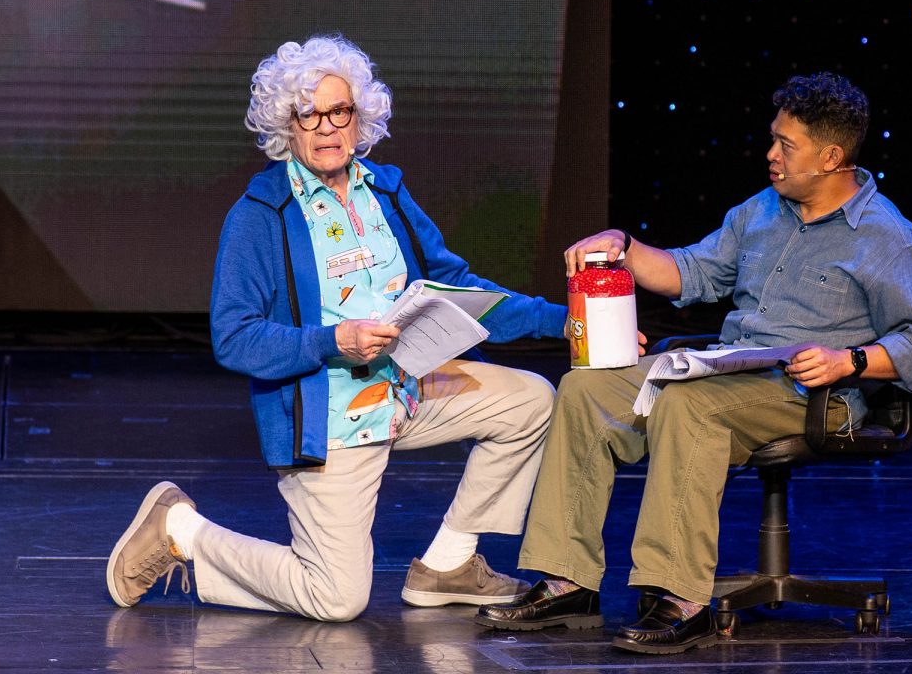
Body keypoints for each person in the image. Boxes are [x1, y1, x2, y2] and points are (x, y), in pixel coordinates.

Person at [477, 72, 912, 653]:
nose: (771, 154)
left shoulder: (887, 238)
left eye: (786, 145)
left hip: (809, 392)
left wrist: (847, 361)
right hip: (729, 370)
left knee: (689, 405)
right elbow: (691, 272)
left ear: (831, 158)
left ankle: (680, 596)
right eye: (773, 139)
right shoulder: (762, 211)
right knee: (585, 390)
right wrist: (623, 247)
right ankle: (567, 580)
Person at [105, 35, 567, 621]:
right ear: (287, 125)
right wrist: (334, 341)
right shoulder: (260, 215)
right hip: (329, 418)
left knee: (530, 401)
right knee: (337, 599)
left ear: (359, 117)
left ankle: (449, 564)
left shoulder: (386, 192)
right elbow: (234, 336)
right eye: (309, 114)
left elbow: (457, 287)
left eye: (339, 111)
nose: (327, 127)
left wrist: (564, 320)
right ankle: (181, 531)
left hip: (407, 390)